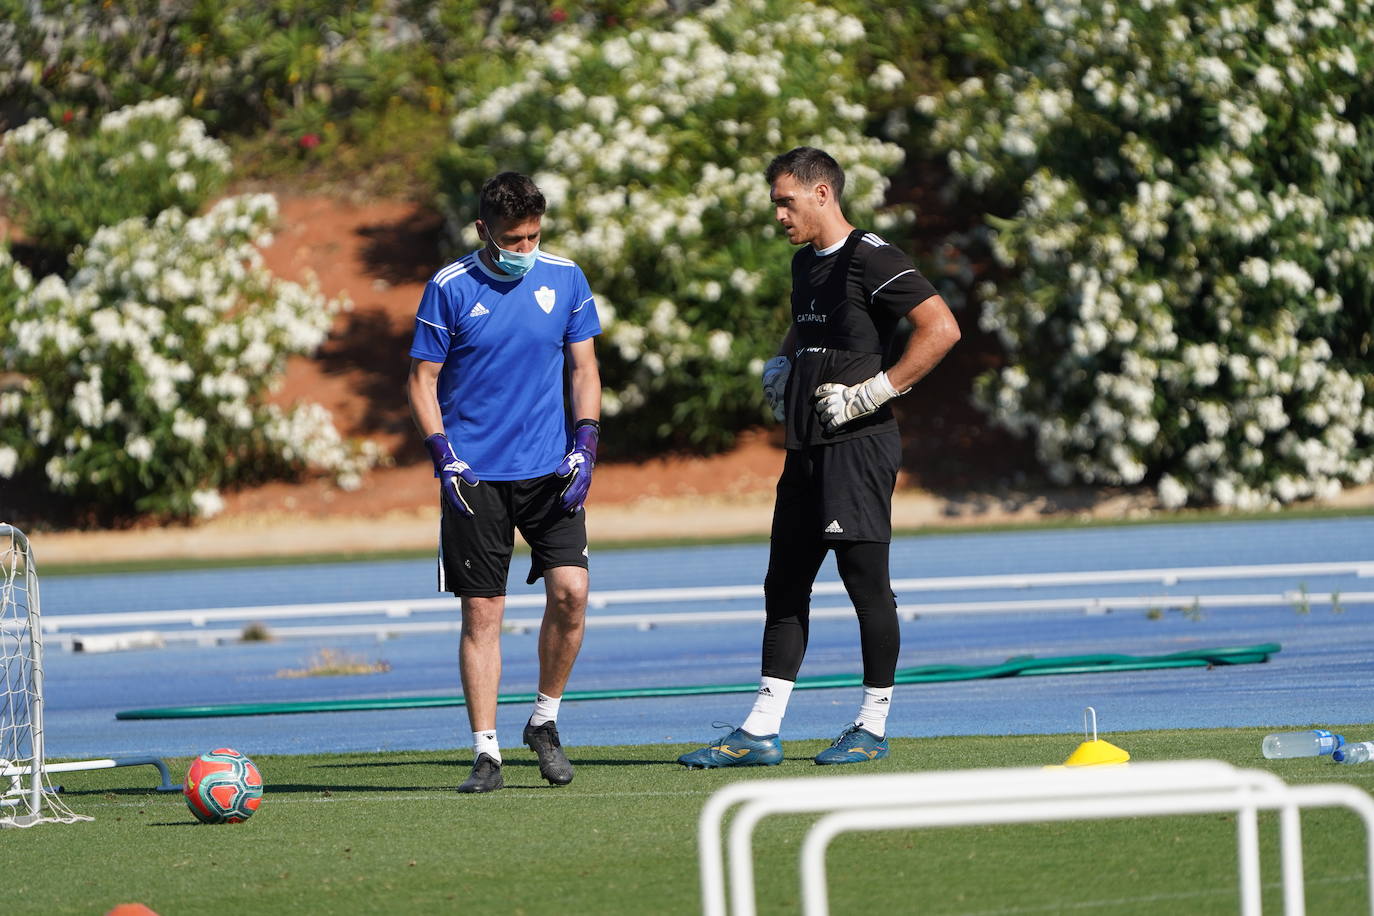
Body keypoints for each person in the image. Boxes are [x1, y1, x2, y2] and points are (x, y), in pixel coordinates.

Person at [678, 147, 960, 768]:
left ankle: (872, 726)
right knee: (783, 584)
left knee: (866, 586)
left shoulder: (873, 256)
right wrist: (784, 361)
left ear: (823, 194)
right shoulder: (805, 262)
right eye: (775, 204)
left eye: (787, 202)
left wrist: (876, 391)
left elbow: (941, 328)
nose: (779, 215)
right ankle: (760, 731)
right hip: (805, 446)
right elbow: (809, 327)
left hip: (857, 448)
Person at [406, 171, 602, 793]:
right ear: (482, 230)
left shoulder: (566, 278)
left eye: (533, 237)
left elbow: (584, 368)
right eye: (513, 240)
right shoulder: (449, 287)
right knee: (483, 613)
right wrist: (442, 454)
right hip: (476, 478)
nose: (525, 250)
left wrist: (587, 442)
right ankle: (486, 752)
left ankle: (544, 720)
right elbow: (421, 381)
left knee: (571, 592)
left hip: (550, 471)